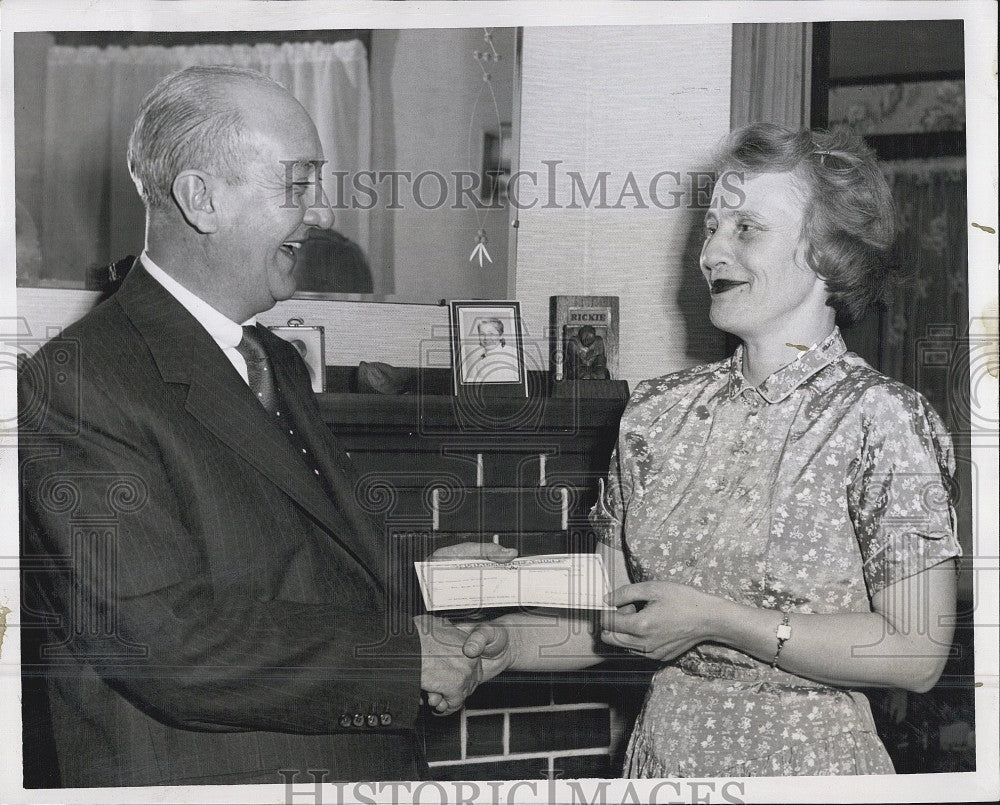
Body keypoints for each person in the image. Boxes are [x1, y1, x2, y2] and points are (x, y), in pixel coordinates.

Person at [18, 65, 506, 788]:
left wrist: (430, 588)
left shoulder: (269, 355)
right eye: (298, 184)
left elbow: (289, 564)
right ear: (201, 198)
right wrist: (404, 658)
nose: (318, 211)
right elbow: (163, 639)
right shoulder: (81, 383)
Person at [459, 123, 961, 777]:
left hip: (811, 777)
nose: (712, 252)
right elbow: (619, 608)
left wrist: (720, 620)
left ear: (826, 252)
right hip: (659, 767)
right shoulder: (655, 413)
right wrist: (503, 641)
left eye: (746, 228)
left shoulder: (883, 420)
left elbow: (916, 653)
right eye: (711, 227)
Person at [461, 317, 521, 384]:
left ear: (501, 335)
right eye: (482, 334)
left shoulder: (508, 357)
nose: (486, 338)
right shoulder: (479, 356)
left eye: (491, 334)